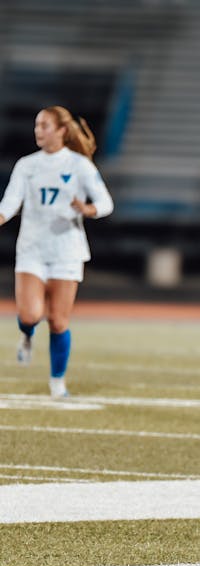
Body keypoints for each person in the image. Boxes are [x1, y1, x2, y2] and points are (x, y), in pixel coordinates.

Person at [0, 106, 114, 397]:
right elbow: (10, 203)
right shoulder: (27, 165)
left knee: (59, 321)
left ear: (62, 130)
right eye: (37, 125)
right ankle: (26, 335)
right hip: (32, 249)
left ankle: (57, 382)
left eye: (45, 125)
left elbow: (105, 203)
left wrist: (88, 209)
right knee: (29, 314)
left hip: (67, 250)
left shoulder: (80, 166)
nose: (38, 130)